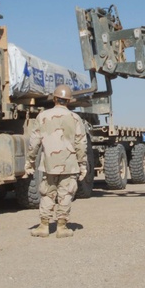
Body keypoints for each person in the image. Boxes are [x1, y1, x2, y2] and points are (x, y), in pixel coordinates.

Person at [25, 84, 88, 238]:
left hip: (49, 164)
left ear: (54, 98)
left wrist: (29, 162)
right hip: (70, 165)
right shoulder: (75, 118)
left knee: (47, 194)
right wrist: (83, 164)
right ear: (69, 100)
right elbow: (81, 144)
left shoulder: (42, 116)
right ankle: (62, 227)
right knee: (65, 195)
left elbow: (34, 142)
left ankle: (44, 226)